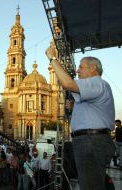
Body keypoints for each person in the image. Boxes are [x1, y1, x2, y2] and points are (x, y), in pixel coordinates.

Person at [46, 46, 116, 190]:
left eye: (81, 67)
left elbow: (67, 83)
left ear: (93, 68)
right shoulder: (96, 86)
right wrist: (74, 109)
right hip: (90, 141)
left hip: (91, 142)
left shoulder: (96, 82)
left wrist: (53, 58)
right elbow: (92, 113)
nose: (77, 70)